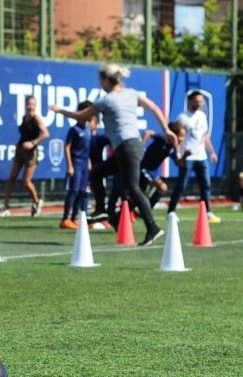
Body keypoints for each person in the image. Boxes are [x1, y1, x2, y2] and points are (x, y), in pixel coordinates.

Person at [50, 63, 176, 246]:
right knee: (96, 173)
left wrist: (59, 110)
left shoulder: (107, 100)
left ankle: (152, 227)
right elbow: (155, 108)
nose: (101, 85)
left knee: (133, 188)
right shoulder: (132, 94)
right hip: (131, 147)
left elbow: (81, 116)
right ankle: (103, 211)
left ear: (106, 80)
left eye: (101, 81)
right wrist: (166, 129)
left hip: (127, 148)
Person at [167, 90, 220, 223]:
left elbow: (205, 136)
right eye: (196, 101)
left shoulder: (202, 116)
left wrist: (212, 152)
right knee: (182, 185)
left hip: (201, 156)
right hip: (188, 156)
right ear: (190, 101)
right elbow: (176, 138)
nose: (199, 103)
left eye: (201, 101)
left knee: (206, 184)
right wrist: (179, 153)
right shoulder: (182, 117)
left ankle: (207, 212)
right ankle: (171, 211)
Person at [0, 95, 49, 217]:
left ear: (36, 106)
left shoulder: (36, 119)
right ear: (25, 105)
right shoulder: (24, 118)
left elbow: (46, 134)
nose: (30, 107)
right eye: (29, 104)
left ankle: (37, 202)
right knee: (11, 178)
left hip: (31, 152)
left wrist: (32, 143)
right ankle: (5, 206)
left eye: (33, 104)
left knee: (26, 181)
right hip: (20, 150)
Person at [59, 100, 93, 229]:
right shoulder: (74, 129)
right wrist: (70, 165)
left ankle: (74, 218)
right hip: (76, 162)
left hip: (84, 163)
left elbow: (88, 147)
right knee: (73, 191)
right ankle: (65, 219)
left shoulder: (88, 129)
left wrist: (89, 161)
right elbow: (67, 146)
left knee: (81, 191)